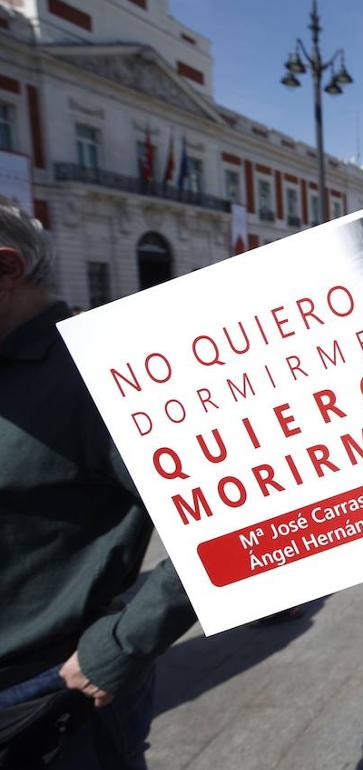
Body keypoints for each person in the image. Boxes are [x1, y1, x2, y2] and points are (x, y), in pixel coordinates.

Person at [0, 197, 198, 768]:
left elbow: (237, 518)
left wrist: (123, 644)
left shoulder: (93, 376)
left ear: (7, 268)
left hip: (50, 689)